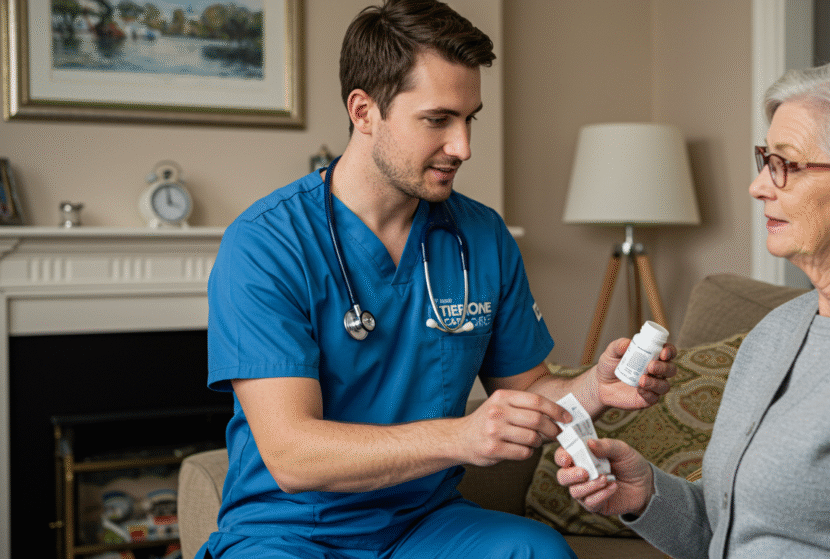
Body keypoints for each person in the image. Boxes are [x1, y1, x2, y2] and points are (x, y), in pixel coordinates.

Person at [200, 1, 677, 558]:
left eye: (469, 118)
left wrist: (594, 387)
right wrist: (461, 436)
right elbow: (291, 454)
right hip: (291, 529)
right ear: (363, 111)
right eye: (437, 120)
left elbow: (525, 393)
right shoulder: (266, 244)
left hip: (422, 524)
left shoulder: (481, 235)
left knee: (534, 550)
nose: (463, 147)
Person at [555, 56, 830, 559]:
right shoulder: (779, 330)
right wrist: (646, 496)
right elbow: (731, 535)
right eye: (764, 160)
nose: (758, 186)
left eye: (786, 165)